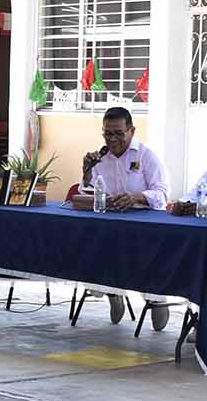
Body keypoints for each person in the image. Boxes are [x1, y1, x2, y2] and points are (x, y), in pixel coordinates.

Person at [71, 107, 174, 329]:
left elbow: (162, 194)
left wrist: (138, 197)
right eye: (108, 134)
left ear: (132, 131)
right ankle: (112, 292)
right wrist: (87, 173)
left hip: (145, 222)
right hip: (111, 222)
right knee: (95, 247)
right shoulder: (99, 157)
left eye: (119, 133)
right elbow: (87, 192)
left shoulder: (146, 156)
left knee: (147, 260)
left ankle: (156, 299)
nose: (113, 139)